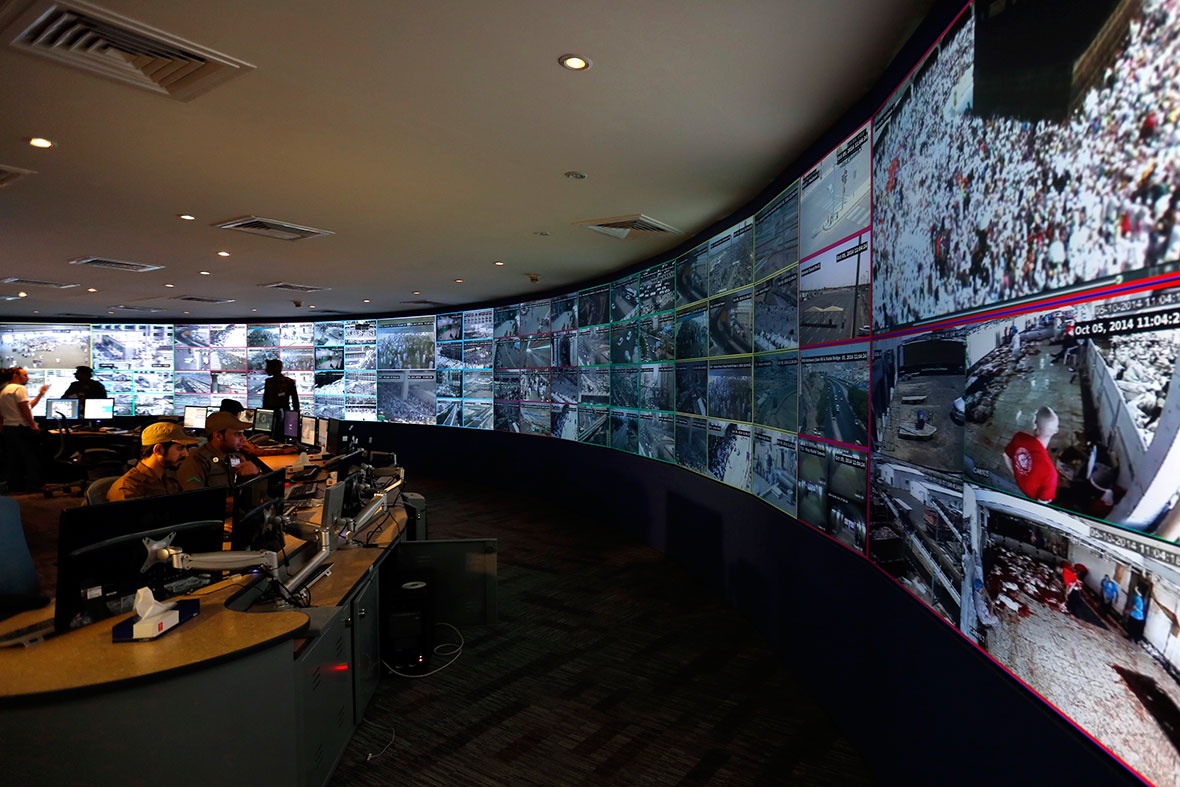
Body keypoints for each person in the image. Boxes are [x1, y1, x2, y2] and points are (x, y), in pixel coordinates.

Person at [106, 422, 199, 501]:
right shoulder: (129, 489)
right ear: (158, 450)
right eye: (180, 448)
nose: (186, 454)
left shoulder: (169, 481)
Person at [177, 411, 263, 492]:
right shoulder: (197, 461)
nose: (243, 439)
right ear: (218, 436)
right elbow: (194, 499)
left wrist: (256, 473)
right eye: (237, 434)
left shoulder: (234, 455)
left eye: (243, 434)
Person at [0, 367, 49, 492]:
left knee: (14, 458)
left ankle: (16, 485)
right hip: (21, 428)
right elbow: (24, 409)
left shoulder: (5, 390)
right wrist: (33, 425)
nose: (28, 378)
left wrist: (40, 394)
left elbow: (27, 406)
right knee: (31, 458)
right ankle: (35, 485)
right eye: (25, 375)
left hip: (9, 428)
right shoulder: (19, 388)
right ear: (15, 376)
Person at [1003, 406, 1060, 503]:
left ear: (1035, 426)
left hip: (1015, 487)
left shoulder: (1019, 437)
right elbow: (1042, 503)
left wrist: (1017, 475)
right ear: (1056, 431)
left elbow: (1005, 455)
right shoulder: (1051, 474)